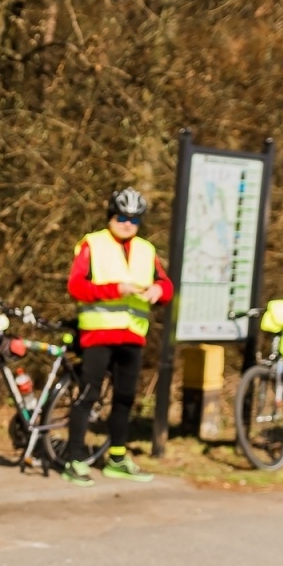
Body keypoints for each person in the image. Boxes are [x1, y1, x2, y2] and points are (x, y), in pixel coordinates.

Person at [61, 187, 174, 486]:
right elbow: (76, 287)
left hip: (132, 336)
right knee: (88, 396)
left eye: (134, 219)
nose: (127, 223)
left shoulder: (146, 250)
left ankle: (117, 457)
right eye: (121, 217)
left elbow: (166, 284)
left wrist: (159, 291)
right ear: (110, 217)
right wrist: (115, 289)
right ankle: (73, 458)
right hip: (98, 335)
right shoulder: (92, 244)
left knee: (124, 398)